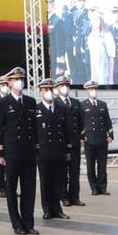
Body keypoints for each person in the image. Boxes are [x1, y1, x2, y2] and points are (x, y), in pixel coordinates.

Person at [0, 67, 39, 235]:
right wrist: (0, 153)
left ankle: (29, 223)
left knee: (29, 188)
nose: (20, 82)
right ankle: (17, 224)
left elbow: (34, 129)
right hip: (11, 151)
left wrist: (36, 148)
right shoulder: (2, 103)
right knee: (11, 189)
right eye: (16, 79)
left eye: (22, 79)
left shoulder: (30, 102)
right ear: (10, 83)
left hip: (28, 151)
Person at [35, 78, 70, 221]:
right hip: (43, 152)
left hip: (59, 150)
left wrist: (67, 150)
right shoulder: (36, 109)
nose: (49, 92)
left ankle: (57, 209)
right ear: (41, 92)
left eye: (51, 89)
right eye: (46, 90)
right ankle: (47, 209)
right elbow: (34, 133)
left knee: (59, 181)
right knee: (46, 182)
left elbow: (66, 131)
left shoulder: (62, 108)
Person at [54, 76, 84, 207]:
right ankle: (63, 196)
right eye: (61, 85)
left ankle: (75, 196)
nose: (64, 88)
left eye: (66, 85)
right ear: (57, 88)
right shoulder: (55, 103)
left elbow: (81, 123)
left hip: (75, 143)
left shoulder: (76, 103)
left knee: (74, 172)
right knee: (62, 173)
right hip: (61, 144)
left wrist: (82, 137)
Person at [80, 81, 113, 195]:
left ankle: (102, 187)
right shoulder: (82, 105)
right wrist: (82, 137)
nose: (93, 91)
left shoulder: (102, 104)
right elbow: (80, 123)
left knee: (102, 165)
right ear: (87, 90)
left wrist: (110, 135)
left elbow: (108, 121)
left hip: (102, 139)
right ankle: (94, 187)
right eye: (91, 89)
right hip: (89, 139)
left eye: (95, 89)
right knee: (90, 166)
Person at [85, 9, 116, 85]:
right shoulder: (90, 37)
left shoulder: (107, 36)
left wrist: (111, 78)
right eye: (93, 20)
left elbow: (111, 57)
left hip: (104, 73)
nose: (94, 22)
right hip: (94, 73)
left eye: (96, 20)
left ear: (101, 21)